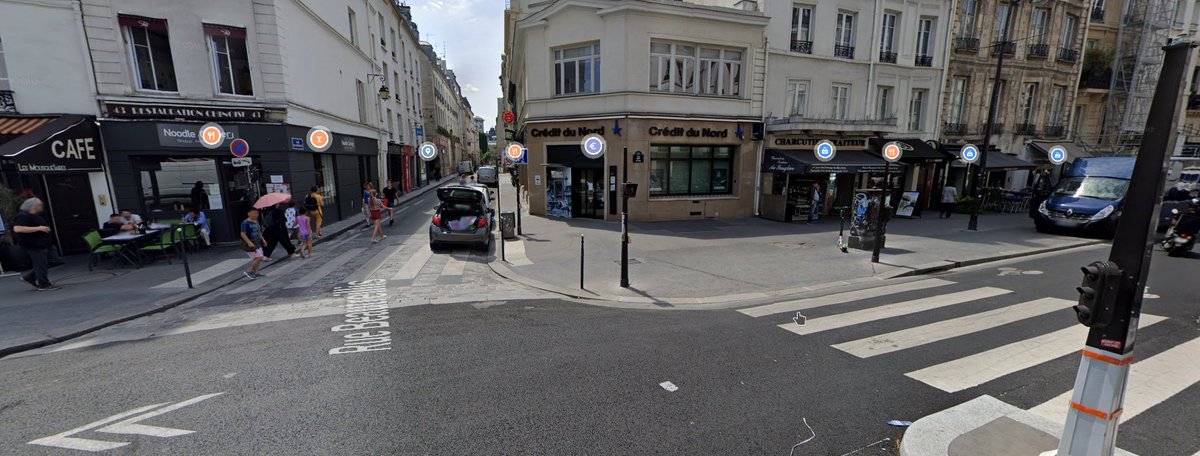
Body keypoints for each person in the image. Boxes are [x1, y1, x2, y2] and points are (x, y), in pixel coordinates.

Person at [13, 198, 59, 290]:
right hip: (34, 245)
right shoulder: (23, 215)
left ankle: (29, 277)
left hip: (45, 243)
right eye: (39, 205)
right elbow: (17, 229)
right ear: (32, 206)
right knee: (41, 264)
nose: (41, 206)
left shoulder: (35, 214)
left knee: (54, 260)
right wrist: (39, 228)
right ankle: (44, 284)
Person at [240, 208, 266, 279]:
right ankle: (249, 271)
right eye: (254, 213)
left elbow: (259, 232)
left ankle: (256, 272)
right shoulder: (245, 223)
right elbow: (243, 233)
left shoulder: (256, 221)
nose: (256, 215)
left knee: (258, 257)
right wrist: (249, 242)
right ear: (249, 213)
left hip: (257, 242)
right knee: (259, 257)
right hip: (251, 243)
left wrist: (263, 240)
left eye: (257, 213)